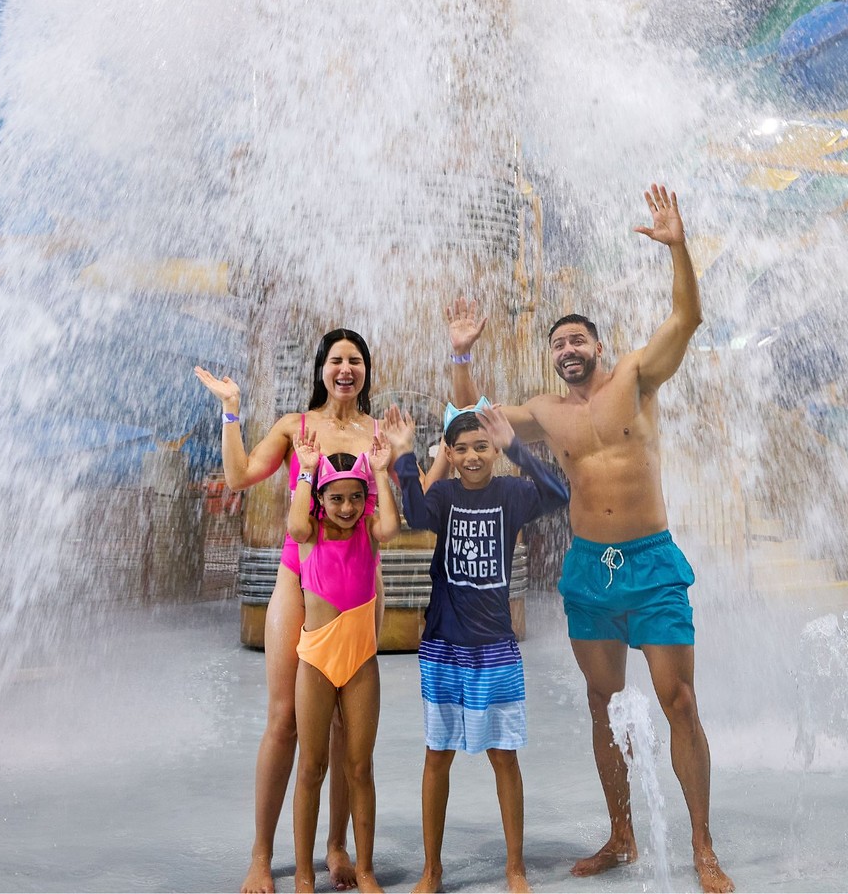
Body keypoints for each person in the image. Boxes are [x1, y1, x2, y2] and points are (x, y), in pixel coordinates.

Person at [445, 184, 734, 894]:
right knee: (604, 703)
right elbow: (470, 416)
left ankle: (701, 844)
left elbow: (687, 318)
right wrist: (461, 354)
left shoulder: (635, 376)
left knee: (678, 700)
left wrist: (678, 248)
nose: (568, 349)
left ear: (598, 346)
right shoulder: (546, 412)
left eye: (577, 339)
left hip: (652, 564)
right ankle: (622, 833)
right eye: (558, 344)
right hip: (589, 570)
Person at [194, 328, 383, 894]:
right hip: (298, 581)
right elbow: (238, 476)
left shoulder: (378, 433)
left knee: (347, 728)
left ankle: (337, 846)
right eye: (336, 360)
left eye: (355, 360)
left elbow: (396, 509)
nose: (345, 369)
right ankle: (261, 854)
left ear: (365, 370)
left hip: (357, 588)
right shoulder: (294, 427)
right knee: (284, 719)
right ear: (321, 368)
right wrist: (231, 410)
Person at [385, 402, 569, 894]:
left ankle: (515, 867)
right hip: (443, 645)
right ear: (448, 453)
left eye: (482, 447)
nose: (472, 456)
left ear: (494, 451)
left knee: (504, 756)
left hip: (495, 649)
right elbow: (414, 513)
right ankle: (432, 869)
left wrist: (517, 448)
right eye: (462, 448)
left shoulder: (512, 493)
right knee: (437, 755)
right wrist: (404, 454)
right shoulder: (443, 495)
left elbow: (558, 494)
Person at [288, 435, 399, 894]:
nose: (348, 507)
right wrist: (307, 470)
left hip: (360, 663)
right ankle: (303, 874)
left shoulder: (369, 532)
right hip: (316, 661)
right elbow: (295, 524)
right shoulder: (310, 534)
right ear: (320, 499)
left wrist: (381, 472)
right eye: (336, 498)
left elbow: (390, 525)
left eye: (356, 497)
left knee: (360, 768)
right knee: (311, 768)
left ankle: (366, 869)